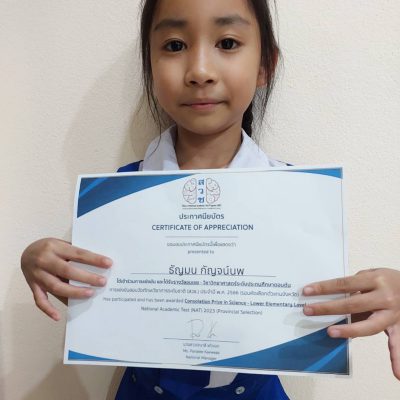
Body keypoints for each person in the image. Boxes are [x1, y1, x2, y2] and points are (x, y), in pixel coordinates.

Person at [21, 0, 400, 398]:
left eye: (228, 42)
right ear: (150, 66)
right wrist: (41, 262)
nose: (200, 71)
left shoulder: (299, 199)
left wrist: (376, 298)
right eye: (174, 45)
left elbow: (315, 311)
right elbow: (99, 296)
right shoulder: (114, 199)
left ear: (265, 65)